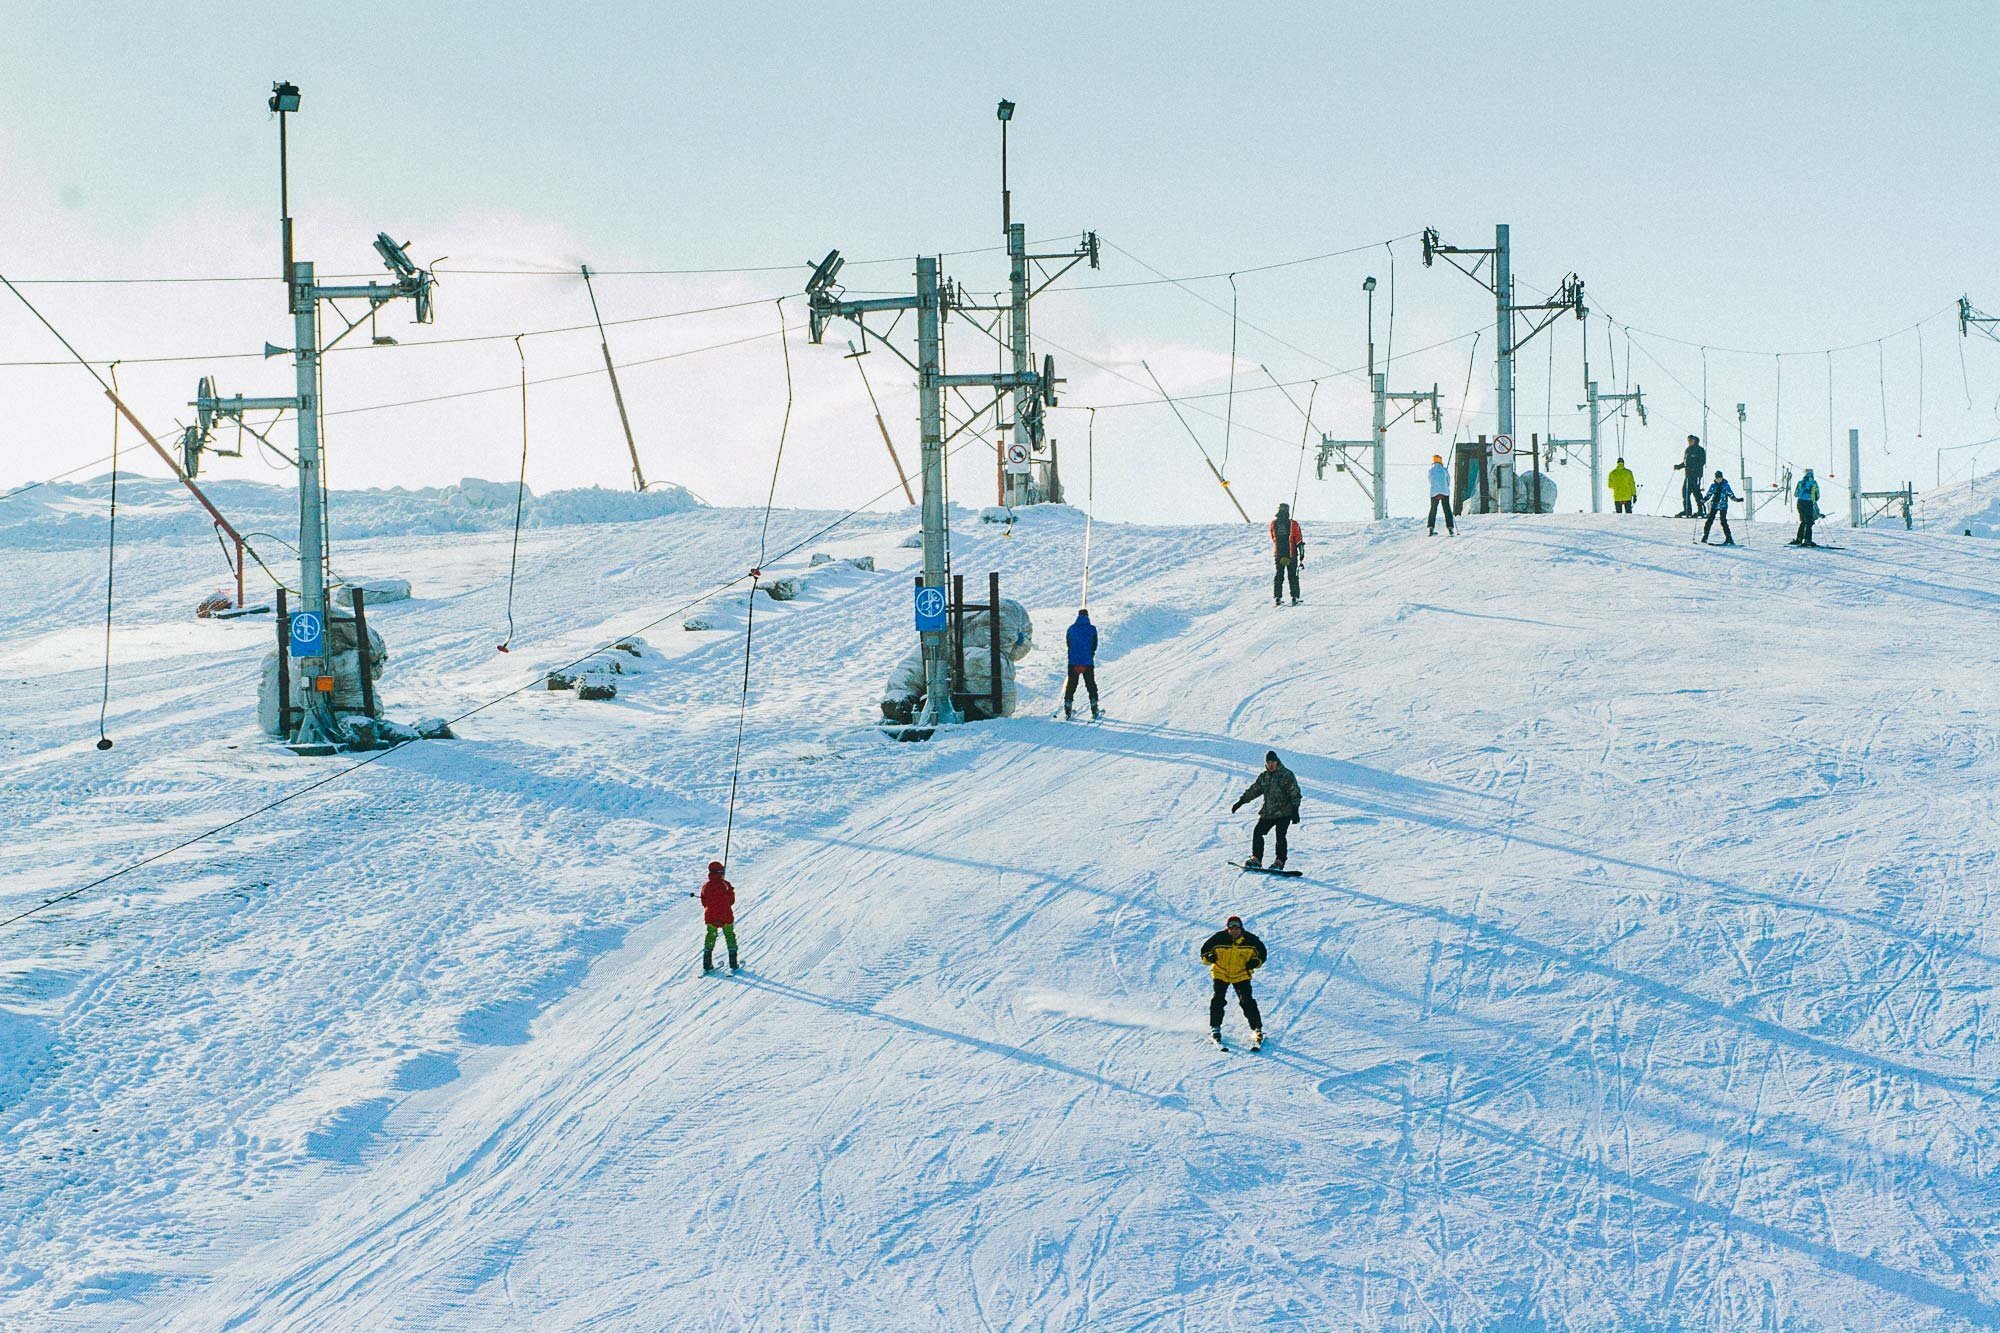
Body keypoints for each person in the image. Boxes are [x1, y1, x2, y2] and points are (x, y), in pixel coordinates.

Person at [1200, 915, 1266, 1048]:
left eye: (1237, 927)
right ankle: (1215, 1028)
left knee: (1246, 1000)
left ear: (1241, 928)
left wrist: (1255, 962)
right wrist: (1210, 958)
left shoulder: (1251, 940)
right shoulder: (1218, 938)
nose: (1234, 930)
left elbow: (1262, 954)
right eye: (1231, 927)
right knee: (1218, 999)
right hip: (1221, 972)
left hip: (1241, 974)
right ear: (1228, 928)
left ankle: (1257, 1029)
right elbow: (1204, 952)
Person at [1229, 750, 1302, 870]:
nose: (1271, 765)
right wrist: (1241, 802)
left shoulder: (1286, 775)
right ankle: (1256, 859)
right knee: (1258, 831)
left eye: (1273, 762)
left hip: (1285, 813)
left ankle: (1279, 861)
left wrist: (1295, 810)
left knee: (1280, 835)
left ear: (1277, 762)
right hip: (1269, 812)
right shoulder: (1264, 777)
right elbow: (1254, 790)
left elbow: (1295, 793)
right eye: (1268, 762)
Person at [697, 860, 739, 973]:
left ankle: (707, 963)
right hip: (726, 916)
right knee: (729, 935)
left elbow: (704, 902)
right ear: (720, 872)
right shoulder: (725, 884)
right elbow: (731, 900)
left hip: (711, 917)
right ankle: (733, 963)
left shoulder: (705, 886)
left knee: (711, 936)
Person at [1063, 608, 1100, 720]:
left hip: (1073, 662)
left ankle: (1068, 706)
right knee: (1090, 684)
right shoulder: (1092, 629)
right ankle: (1094, 705)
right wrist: (1090, 654)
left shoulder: (1071, 629)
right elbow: (1094, 645)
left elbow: (1068, 644)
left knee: (1071, 685)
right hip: (1087, 662)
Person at [1270, 503, 1304, 607]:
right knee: (1292, 576)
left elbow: (1273, 537)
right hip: (1291, 554)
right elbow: (1299, 540)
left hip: (1279, 555)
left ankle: (1278, 598)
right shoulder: (1293, 524)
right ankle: (1294, 597)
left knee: (1279, 575)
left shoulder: (1273, 524)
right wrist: (1302, 554)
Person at [1672, 435, 1709, 517]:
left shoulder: (1700, 450)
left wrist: (1693, 468)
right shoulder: (1688, 450)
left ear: (1695, 440)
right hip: (1688, 475)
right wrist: (1678, 466)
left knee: (1696, 492)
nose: (1689, 442)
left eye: (1691, 440)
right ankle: (1687, 510)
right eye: (1688, 440)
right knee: (1685, 492)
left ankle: (1701, 510)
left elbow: (1702, 462)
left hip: (1696, 475)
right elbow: (1685, 463)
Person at [1700, 470, 1741, 545]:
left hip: (1723, 505)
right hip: (1714, 505)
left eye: (1720, 478)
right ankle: (1705, 537)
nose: (1719, 479)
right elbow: (1709, 494)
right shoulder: (1713, 486)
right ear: (1715, 478)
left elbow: (1730, 494)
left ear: (1722, 478)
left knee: (1723, 522)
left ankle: (1729, 539)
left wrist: (1737, 500)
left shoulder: (1726, 486)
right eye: (1717, 478)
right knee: (1709, 520)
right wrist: (1703, 500)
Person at [1426, 454, 1456, 536]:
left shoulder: (1430, 470)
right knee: (1447, 509)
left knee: (1433, 509)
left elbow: (1430, 480)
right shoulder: (1444, 470)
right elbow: (1448, 481)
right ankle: (1450, 528)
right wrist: (1445, 487)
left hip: (1434, 492)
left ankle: (1431, 528)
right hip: (1444, 491)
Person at [1791, 469, 1822, 547]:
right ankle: (1808, 540)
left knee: (1803, 521)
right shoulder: (1814, 483)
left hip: (1799, 503)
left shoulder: (1800, 483)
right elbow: (1817, 495)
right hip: (1808, 503)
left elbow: (1796, 494)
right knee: (1809, 522)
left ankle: (1799, 539)